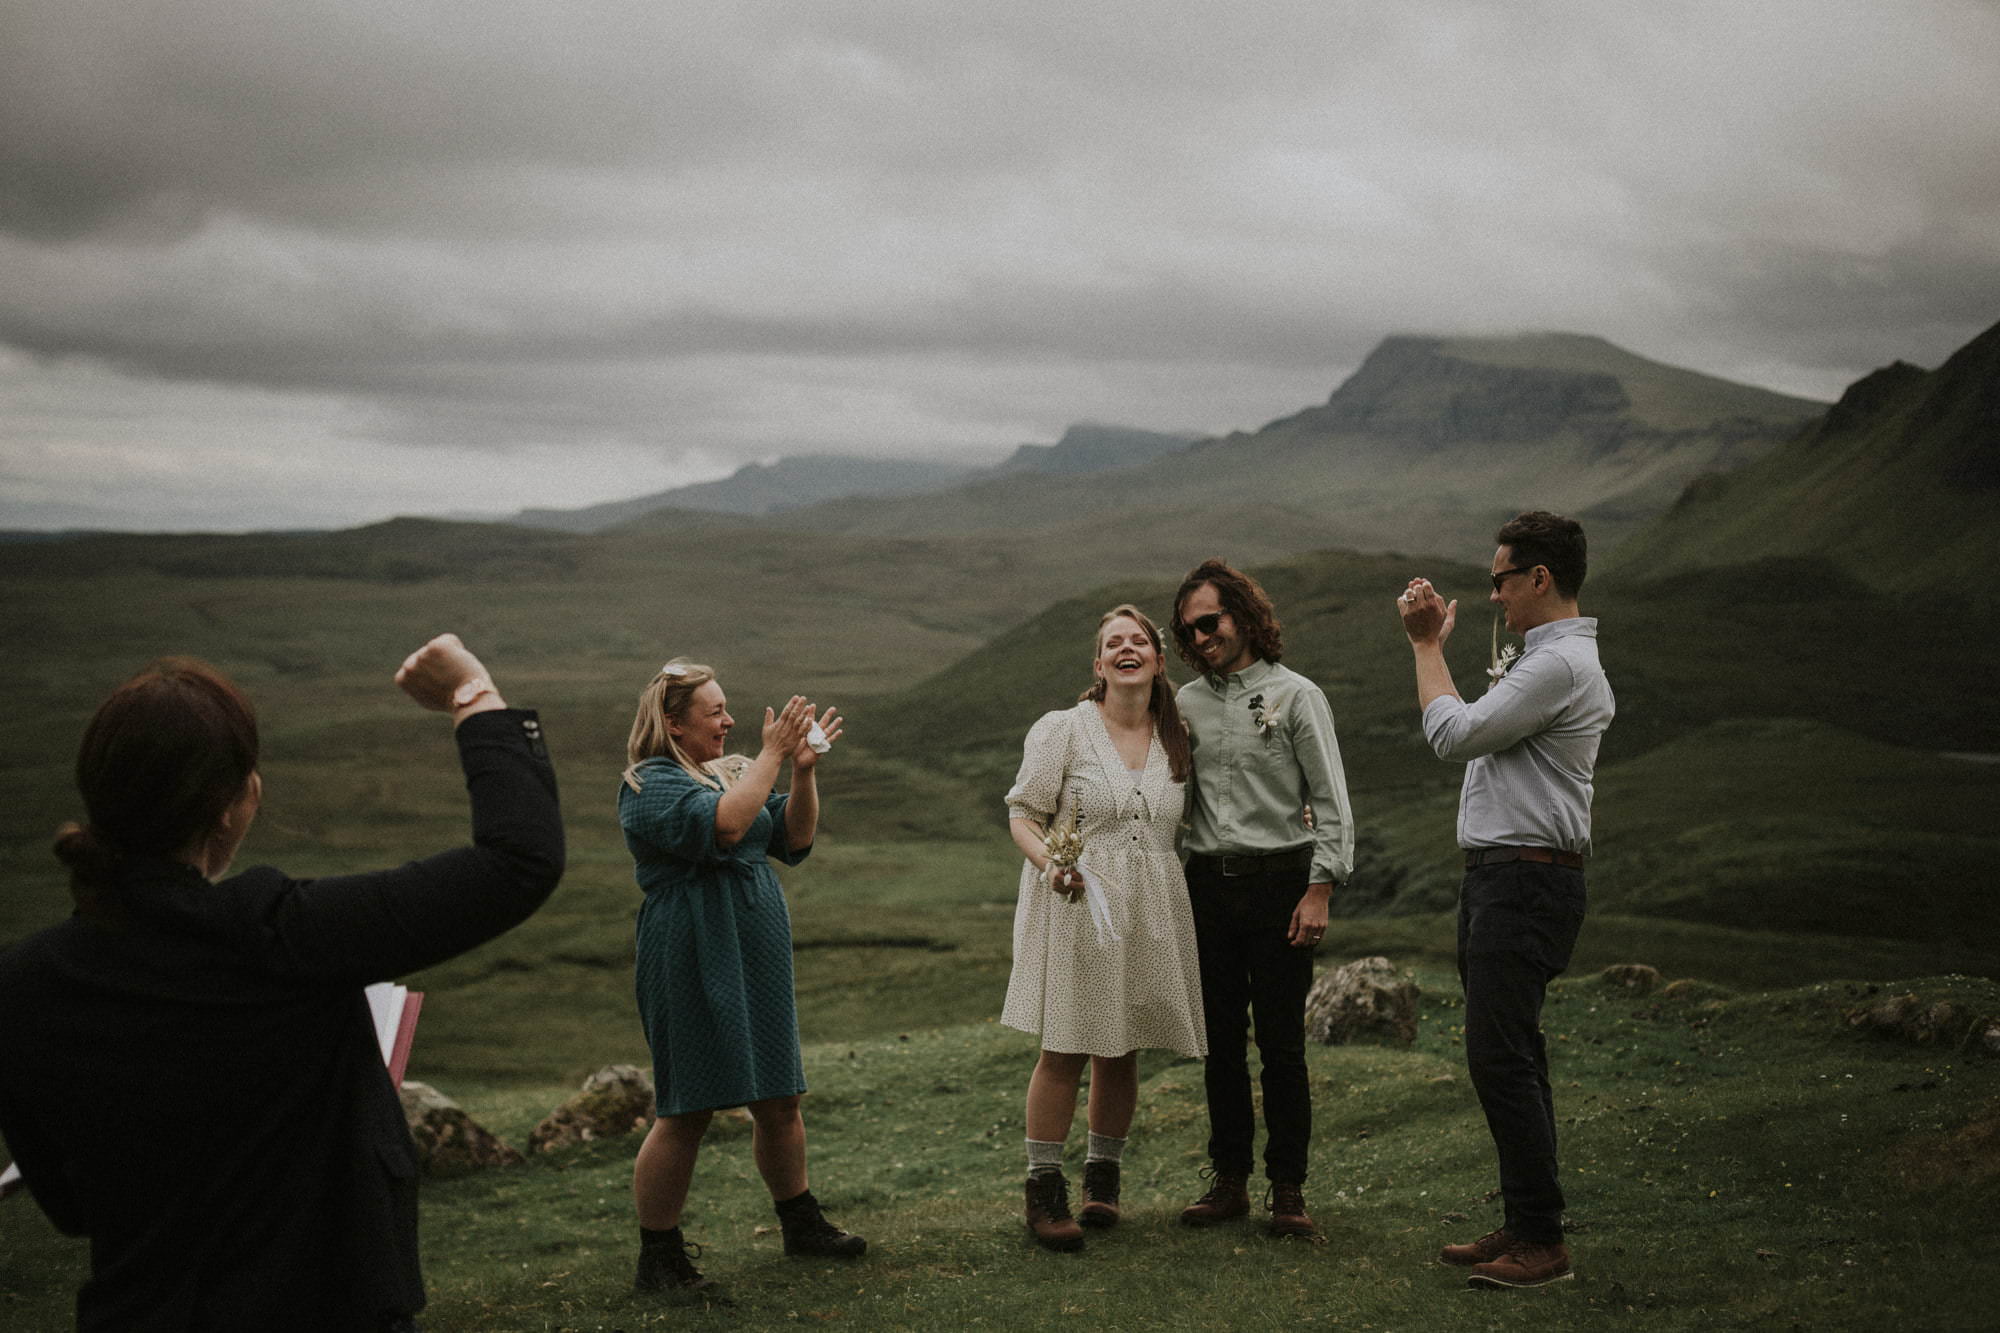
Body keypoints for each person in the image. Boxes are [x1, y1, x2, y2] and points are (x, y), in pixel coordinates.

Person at [0, 635, 564, 1331]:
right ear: (234, 805)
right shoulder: (281, 936)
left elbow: (69, 1205)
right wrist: (472, 693)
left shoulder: (22, 982)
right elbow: (518, 861)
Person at [1396, 510, 1614, 1290]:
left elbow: (1453, 735)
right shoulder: (1544, 661)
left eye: (1501, 580)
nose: (1495, 596)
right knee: (1512, 1053)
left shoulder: (1555, 667)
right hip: (1508, 875)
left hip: (1525, 880)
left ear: (1540, 578)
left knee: (1501, 1056)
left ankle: (1542, 1240)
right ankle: (1528, 1220)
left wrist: (1426, 647)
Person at [620, 659, 863, 1304]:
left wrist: (802, 771)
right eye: (715, 712)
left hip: (753, 944)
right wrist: (774, 755)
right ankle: (660, 1258)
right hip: (691, 944)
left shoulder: (727, 771)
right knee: (688, 1105)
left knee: (780, 1094)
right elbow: (726, 825)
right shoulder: (650, 783)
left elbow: (794, 833)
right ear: (673, 723)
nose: (729, 721)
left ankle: (800, 1224)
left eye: (728, 710)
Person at [1002, 604, 1207, 1251]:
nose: (1125, 648)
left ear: (1156, 658)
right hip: (1075, 903)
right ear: (1098, 664)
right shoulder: (1063, 729)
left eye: (1137, 640)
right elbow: (1023, 815)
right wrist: (1052, 866)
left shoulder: (1178, 735)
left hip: (1150, 906)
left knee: (1123, 1046)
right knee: (1065, 1046)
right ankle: (1043, 1191)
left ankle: (1103, 1179)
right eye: (1112, 642)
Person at [1169, 559, 1354, 1239]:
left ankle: (1288, 1186)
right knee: (1219, 1044)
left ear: (1243, 616)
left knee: (1281, 1045)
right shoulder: (1182, 703)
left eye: (1210, 621)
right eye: (1190, 631)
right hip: (1206, 886)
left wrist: (1320, 888)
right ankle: (1228, 1181)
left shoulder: (1298, 695)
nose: (1201, 637)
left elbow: (1331, 800)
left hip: (1282, 882)